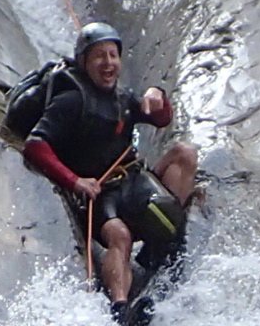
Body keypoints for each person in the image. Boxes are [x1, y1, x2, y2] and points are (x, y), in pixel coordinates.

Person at [20, 23, 204, 308]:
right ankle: (120, 306)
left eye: (113, 55)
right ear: (84, 62)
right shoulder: (71, 100)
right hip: (98, 194)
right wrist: (75, 181)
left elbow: (161, 119)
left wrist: (158, 94)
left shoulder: (123, 97)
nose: (108, 63)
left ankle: (159, 248)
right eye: (99, 56)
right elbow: (35, 145)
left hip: (130, 180)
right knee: (120, 235)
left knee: (186, 153)